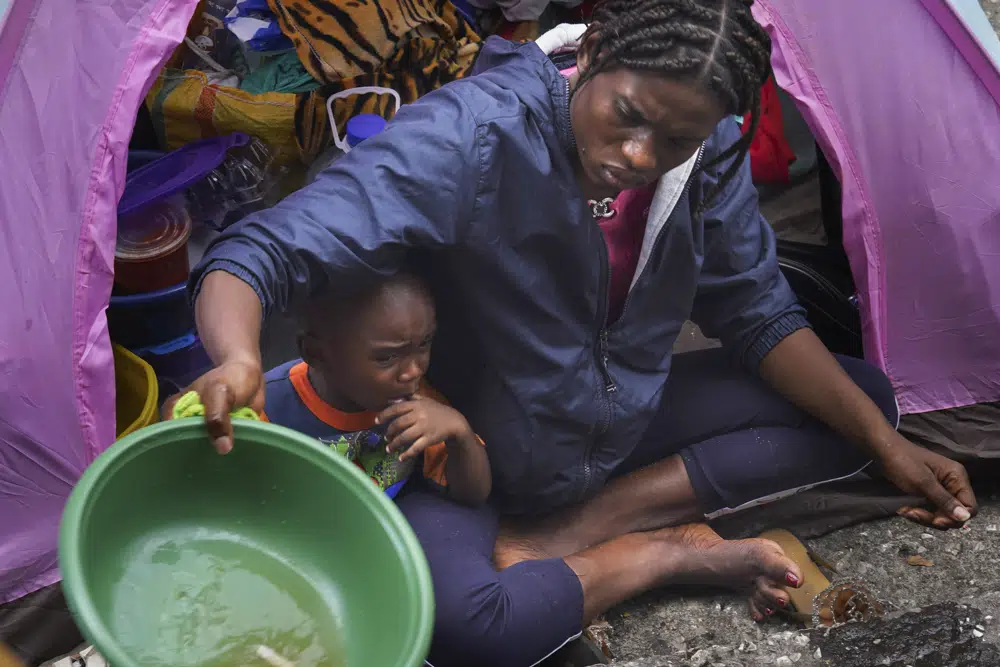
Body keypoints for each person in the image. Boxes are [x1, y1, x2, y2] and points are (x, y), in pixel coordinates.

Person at [166, 1, 977, 665]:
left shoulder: (707, 154)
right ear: (590, 51)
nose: (637, 154)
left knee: (866, 406)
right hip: (475, 456)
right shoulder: (472, 139)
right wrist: (237, 355)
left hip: (614, 429)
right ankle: (658, 552)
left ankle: (570, 530)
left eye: (675, 141)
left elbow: (759, 314)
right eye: (628, 116)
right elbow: (263, 251)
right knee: (457, 627)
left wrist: (890, 447)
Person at [259, 272, 491, 505]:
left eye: (424, 344)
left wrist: (460, 434)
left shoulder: (418, 403)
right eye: (387, 357)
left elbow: (473, 494)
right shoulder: (267, 407)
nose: (413, 371)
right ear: (316, 354)